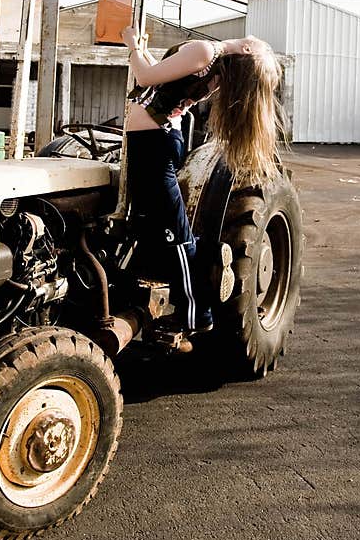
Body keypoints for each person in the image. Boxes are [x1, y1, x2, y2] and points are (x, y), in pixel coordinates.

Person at [120, 25, 283, 351]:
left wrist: (130, 46)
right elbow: (159, 78)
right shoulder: (212, 64)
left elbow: (145, 79)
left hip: (154, 144)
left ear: (248, 51)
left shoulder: (207, 52)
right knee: (153, 226)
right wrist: (141, 50)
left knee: (175, 234)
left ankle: (198, 313)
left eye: (261, 44)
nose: (259, 39)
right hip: (153, 141)